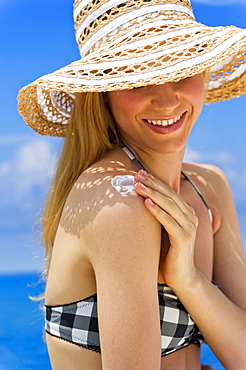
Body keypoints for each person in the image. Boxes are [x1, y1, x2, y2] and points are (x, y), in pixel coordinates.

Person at [17, 0, 246, 369]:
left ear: (202, 72)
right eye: (139, 77)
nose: (167, 98)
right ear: (104, 91)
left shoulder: (208, 186)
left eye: (181, 69)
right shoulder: (120, 201)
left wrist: (187, 280)